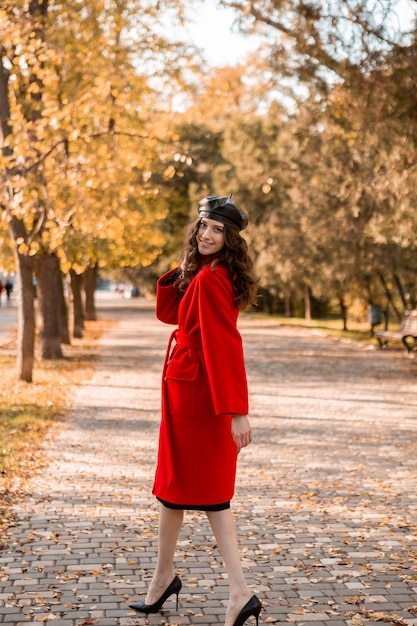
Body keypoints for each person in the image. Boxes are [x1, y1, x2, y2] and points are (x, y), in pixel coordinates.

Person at [129, 195, 261, 626]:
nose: (207, 235)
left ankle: (240, 593)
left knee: (211, 496)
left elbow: (224, 344)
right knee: (173, 488)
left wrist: (237, 411)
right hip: (185, 392)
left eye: (218, 230)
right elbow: (170, 313)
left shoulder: (210, 281)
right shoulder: (205, 274)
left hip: (199, 399)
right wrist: (188, 264)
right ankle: (163, 576)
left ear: (231, 239)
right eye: (204, 226)